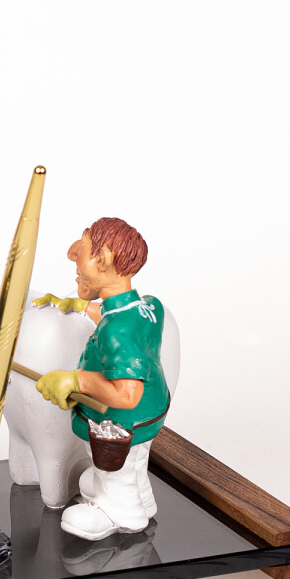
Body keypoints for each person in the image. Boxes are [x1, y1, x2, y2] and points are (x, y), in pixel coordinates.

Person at [34, 217, 169, 541]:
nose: (72, 254)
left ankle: (122, 512)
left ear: (104, 259)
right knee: (132, 463)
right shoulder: (149, 306)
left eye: (82, 248)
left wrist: (76, 380)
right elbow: (119, 313)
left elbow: (127, 395)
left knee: (115, 468)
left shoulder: (117, 331)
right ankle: (141, 496)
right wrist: (84, 306)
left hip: (121, 424)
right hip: (151, 414)